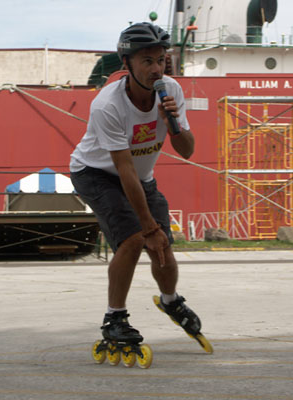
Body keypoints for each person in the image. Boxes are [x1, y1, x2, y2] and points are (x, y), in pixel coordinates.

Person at [70, 22, 200, 345]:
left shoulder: (171, 92)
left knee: (163, 248)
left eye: (161, 59)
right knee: (133, 239)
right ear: (126, 64)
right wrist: (147, 227)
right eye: (147, 61)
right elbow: (123, 167)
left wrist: (173, 124)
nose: (157, 69)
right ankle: (114, 317)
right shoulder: (108, 104)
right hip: (96, 172)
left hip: (140, 177)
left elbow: (187, 150)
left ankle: (171, 301)